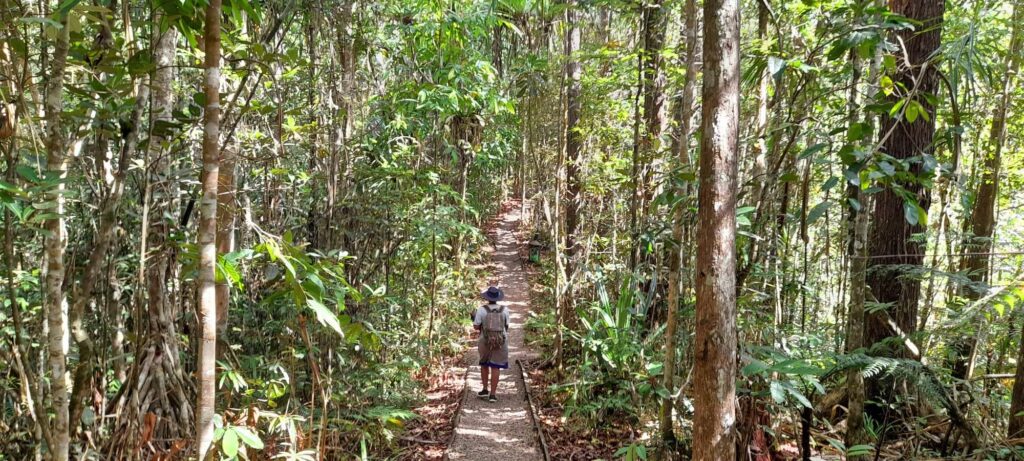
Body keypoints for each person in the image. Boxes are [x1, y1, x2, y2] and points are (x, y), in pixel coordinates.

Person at [473, 286, 510, 402]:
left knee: (484, 364)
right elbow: (506, 326)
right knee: (496, 367)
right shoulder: (505, 310)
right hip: (501, 341)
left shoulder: (481, 310)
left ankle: (484, 389)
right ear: (497, 297)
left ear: (487, 298)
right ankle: (493, 395)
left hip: (485, 340)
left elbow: (476, 326)